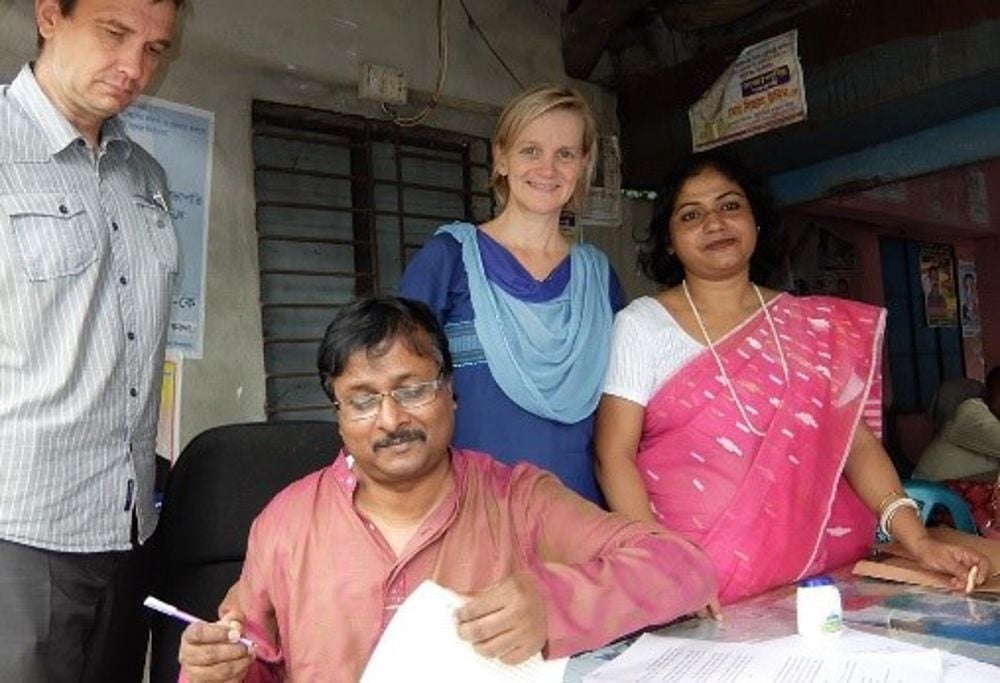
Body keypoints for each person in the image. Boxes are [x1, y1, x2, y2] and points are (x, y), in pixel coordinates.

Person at [177, 296, 716, 682]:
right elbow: (254, 657)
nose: (391, 419)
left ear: (451, 394)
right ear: (339, 417)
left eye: (411, 389)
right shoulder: (286, 522)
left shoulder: (518, 499)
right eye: (362, 400)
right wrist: (217, 671)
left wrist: (553, 605)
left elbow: (682, 568)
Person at [594, 150, 990, 605]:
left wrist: (918, 542)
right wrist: (666, 565)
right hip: (694, 586)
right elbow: (613, 455)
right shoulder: (642, 324)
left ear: (756, 223)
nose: (715, 222)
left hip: (815, 579)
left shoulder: (807, 326)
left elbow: (855, 445)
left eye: (730, 205)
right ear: (669, 240)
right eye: (691, 214)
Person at [0, 0, 182, 680]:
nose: (135, 67)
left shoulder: (145, 177)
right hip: (20, 532)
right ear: (50, 15)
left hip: (128, 529)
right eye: (115, 33)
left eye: (156, 48)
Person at [400, 84, 624, 504]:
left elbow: (624, 415)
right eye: (530, 151)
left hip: (577, 519)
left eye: (566, 154)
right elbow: (396, 388)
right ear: (500, 157)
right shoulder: (449, 259)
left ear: (585, 165)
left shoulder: (599, 278)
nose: (548, 168)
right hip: (473, 515)